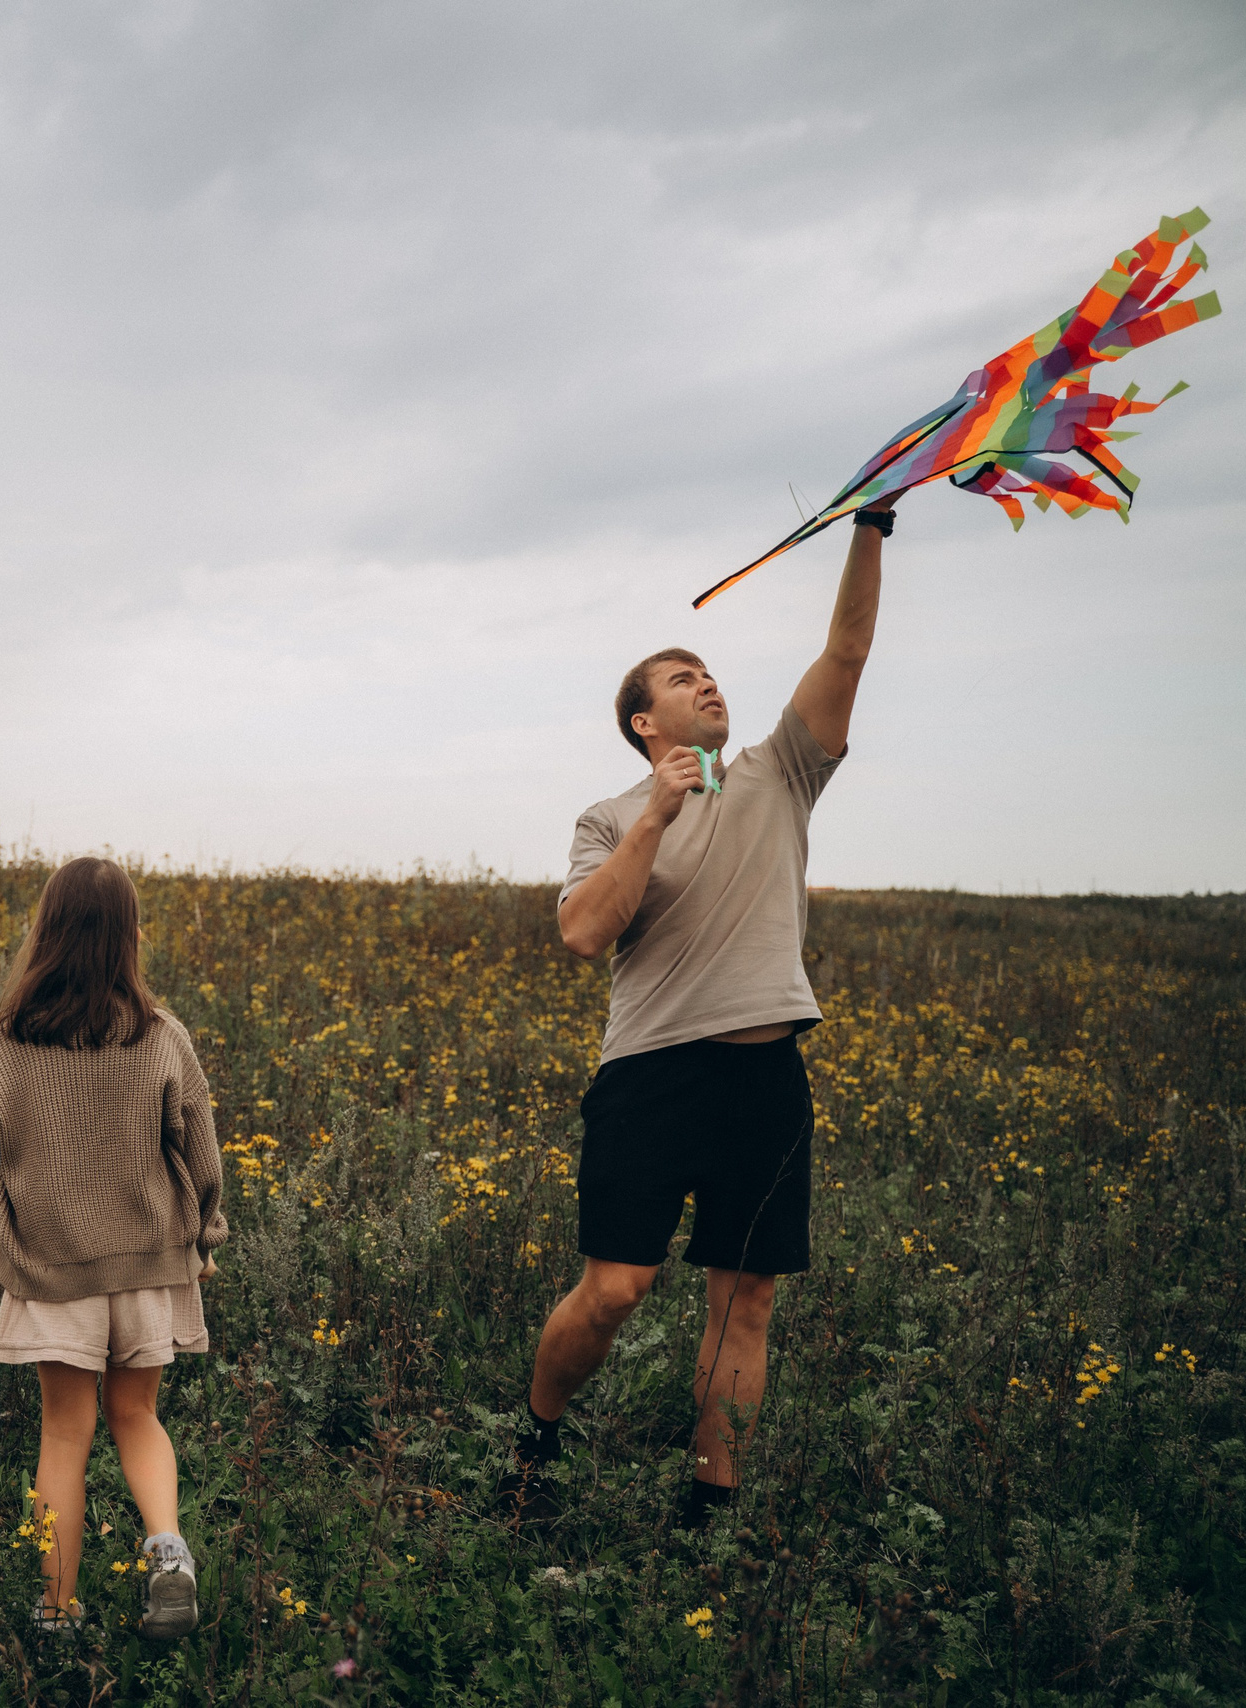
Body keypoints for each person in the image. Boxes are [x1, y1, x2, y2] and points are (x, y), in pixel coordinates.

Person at [516, 499, 896, 1529]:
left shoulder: (781, 770)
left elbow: (848, 649)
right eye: (683, 678)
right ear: (645, 722)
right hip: (650, 1078)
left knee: (746, 1297)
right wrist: (656, 813)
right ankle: (538, 1435)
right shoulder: (609, 816)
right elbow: (585, 933)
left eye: (711, 672)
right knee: (615, 1290)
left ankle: (708, 1506)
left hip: (764, 1081)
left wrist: (872, 526)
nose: (709, 683)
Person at [0, 857, 229, 1640]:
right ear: (128, 936)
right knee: (138, 1417)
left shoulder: (8, 1040)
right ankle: (170, 1553)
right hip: (149, 1263)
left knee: (63, 1434)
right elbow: (199, 1147)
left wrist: (15, 1206)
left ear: (45, 931)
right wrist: (205, 1233)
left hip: (51, 1270)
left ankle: (55, 1613)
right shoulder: (160, 1035)